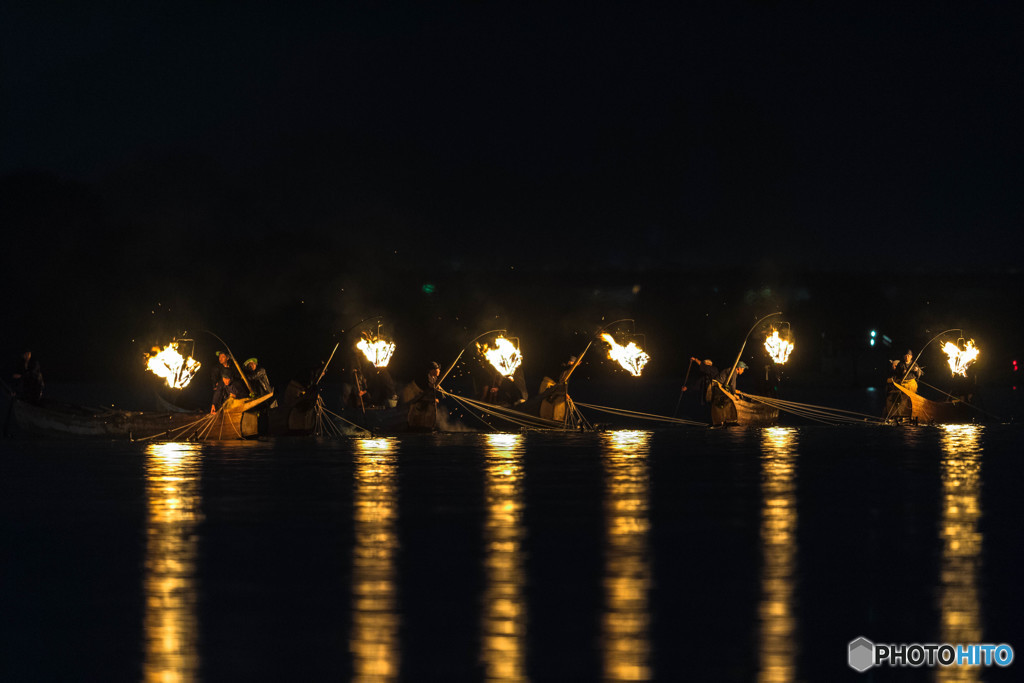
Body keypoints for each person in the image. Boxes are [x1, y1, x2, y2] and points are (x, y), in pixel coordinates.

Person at [886, 349, 923, 420]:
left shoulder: (914, 364)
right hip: (903, 385)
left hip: (911, 384)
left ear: (911, 357)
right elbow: (897, 374)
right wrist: (902, 372)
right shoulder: (900, 364)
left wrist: (916, 371)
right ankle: (903, 416)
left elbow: (918, 375)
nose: (907, 357)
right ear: (904, 357)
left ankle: (912, 416)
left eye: (909, 355)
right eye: (906, 355)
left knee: (912, 400)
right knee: (903, 400)